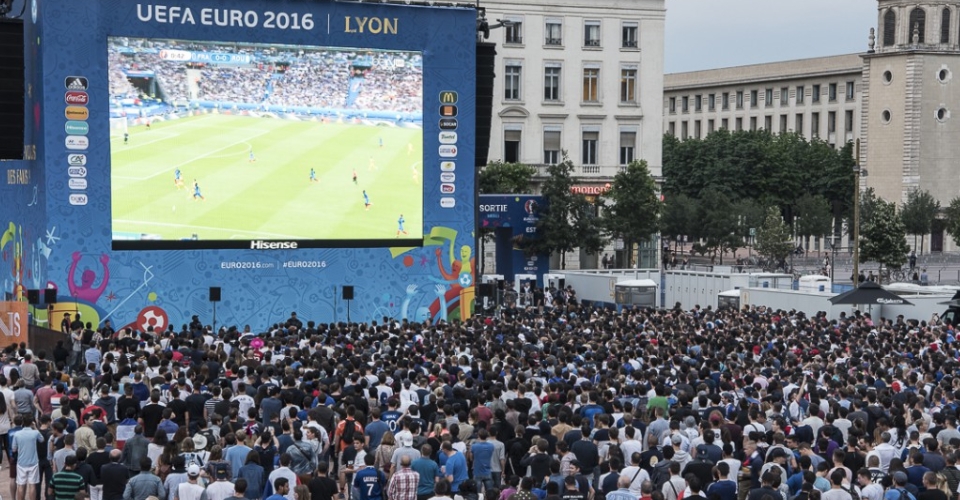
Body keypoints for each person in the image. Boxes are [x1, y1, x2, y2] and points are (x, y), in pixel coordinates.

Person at [13, 415, 43, 500]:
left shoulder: (17, 434)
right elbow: (42, 439)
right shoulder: (35, 433)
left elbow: (14, 449)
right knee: (32, 485)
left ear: (22, 423)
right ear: (31, 423)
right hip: (33, 462)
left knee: (20, 485)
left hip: (21, 462)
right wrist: (35, 427)